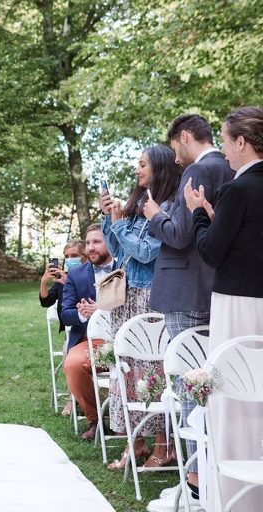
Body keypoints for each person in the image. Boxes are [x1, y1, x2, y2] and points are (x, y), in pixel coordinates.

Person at [143, 114, 233, 511]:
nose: (175, 158)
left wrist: (154, 217)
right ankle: (206, 477)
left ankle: (195, 486)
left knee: (188, 386)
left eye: (174, 147)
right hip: (216, 290)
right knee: (213, 383)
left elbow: (179, 234)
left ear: (183, 137)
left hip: (185, 292)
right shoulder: (231, 167)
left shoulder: (198, 168)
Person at [185, 106, 263, 512]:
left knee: (234, 396)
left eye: (226, 140)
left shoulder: (239, 189)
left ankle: (237, 497)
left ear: (242, 142)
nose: (224, 152)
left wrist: (199, 214)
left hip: (238, 305)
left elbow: (212, 251)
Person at [99, 145, 181, 471]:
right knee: (127, 371)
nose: (137, 169)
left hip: (148, 297)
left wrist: (119, 223)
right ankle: (136, 443)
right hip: (126, 296)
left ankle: (164, 447)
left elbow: (147, 252)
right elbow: (118, 249)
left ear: (158, 168)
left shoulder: (167, 207)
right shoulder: (138, 204)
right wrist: (110, 219)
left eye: (142, 164)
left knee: (152, 370)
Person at [61, 224, 114, 441]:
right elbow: (66, 313)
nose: (91, 247)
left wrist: (100, 309)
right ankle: (95, 421)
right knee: (73, 364)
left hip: (126, 339)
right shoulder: (76, 275)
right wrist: (83, 314)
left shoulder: (128, 268)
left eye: (97, 242)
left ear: (110, 242)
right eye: (89, 242)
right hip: (91, 341)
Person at [39, 239, 86, 415]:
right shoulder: (61, 278)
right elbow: (46, 301)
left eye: (75, 255)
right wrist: (44, 281)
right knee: (69, 351)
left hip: (90, 328)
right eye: (67, 256)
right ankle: (71, 399)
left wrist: (70, 283)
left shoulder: (88, 275)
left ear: (85, 257)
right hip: (72, 331)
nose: (70, 259)